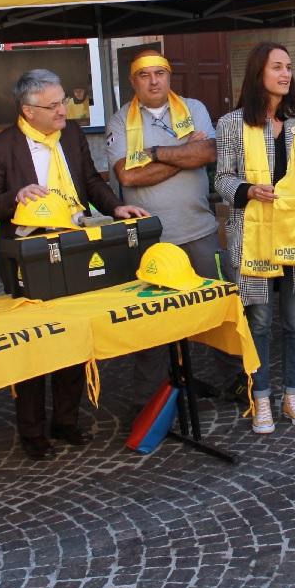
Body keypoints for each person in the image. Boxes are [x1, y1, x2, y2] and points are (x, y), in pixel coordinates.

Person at [0, 68, 147, 460]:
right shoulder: (1, 149)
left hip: (73, 243)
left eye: (63, 102)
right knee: (36, 341)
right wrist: (16, 196)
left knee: (72, 333)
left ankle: (66, 419)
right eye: (52, 105)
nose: (62, 111)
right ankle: (32, 430)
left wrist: (115, 206)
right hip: (30, 254)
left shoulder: (70, 135)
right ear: (27, 110)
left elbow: (90, 181)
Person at [107, 49, 240, 403]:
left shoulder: (193, 108)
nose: (153, 81)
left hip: (200, 230)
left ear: (169, 76)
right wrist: (184, 152)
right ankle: (150, 398)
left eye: (160, 73)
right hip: (151, 240)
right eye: (144, 75)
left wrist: (157, 153)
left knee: (219, 308)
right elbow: (128, 176)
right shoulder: (121, 121)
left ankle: (236, 380)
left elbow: (210, 153)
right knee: (153, 321)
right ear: (133, 81)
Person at [215, 43, 295, 433]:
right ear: (257, 73)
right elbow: (222, 178)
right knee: (260, 320)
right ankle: (261, 397)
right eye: (277, 67)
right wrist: (248, 190)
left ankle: (292, 396)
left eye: (288, 67)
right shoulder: (232, 124)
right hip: (255, 236)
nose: (285, 74)